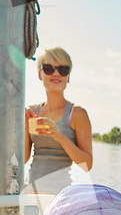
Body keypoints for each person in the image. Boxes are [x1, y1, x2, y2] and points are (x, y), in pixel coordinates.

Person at [25, 47, 93, 194]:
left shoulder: (77, 114)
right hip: (29, 194)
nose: (56, 73)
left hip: (59, 198)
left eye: (63, 70)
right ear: (40, 74)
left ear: (68, 77)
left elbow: (86, 165)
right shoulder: (32, 112)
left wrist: (60, 136)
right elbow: (23, 159)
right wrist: (23, 126)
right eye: (49, 68)